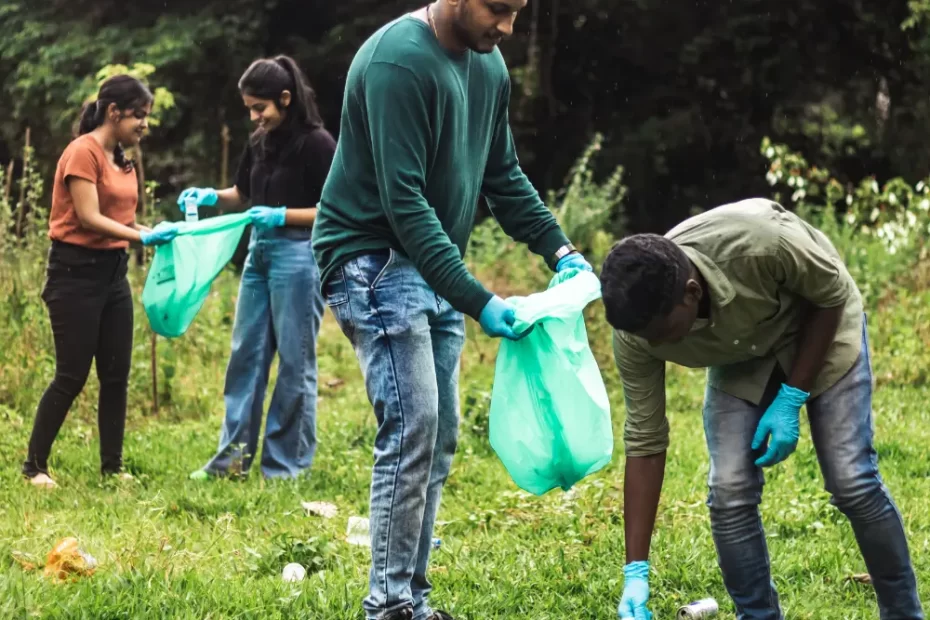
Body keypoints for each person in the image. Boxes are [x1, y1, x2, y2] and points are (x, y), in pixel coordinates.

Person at [311, 2, 592, 619]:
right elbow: (403, 201)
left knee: (439, 437)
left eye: (518, 12)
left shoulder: (488, 69)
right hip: (372, 258)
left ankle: (409, 597)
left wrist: (559, 247)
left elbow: (504, 174)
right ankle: (387, 607)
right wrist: (478, 299)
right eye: (499, 9)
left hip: (429, 262)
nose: (508, 28)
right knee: (413, 428)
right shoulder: (397, 64)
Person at [601, 198, 923, 620]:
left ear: (692, 293)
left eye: (663, 333)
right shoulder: (636, 332)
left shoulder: (763, 242)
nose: (656, 346)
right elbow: (645, 438)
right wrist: (635, 570)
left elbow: (830, 296)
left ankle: (903, 613)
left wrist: (792, 396)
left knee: (851, 478)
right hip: (740, 355)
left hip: (818, 322)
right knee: (729, 488)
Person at [180, 55, 336, 481]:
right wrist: (209, 196)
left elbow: (334, 212)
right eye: (249, 108)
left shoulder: (318, 143)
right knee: (244, 358)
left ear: (285, 99)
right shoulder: (259, 141)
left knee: (293, 362)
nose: (254, 116)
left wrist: (282, 215)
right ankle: (230, 462)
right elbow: (241, 193)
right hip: (259, 255)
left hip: (300, 257)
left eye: (259, 108)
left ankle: (284, 466)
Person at [22, 75, 178, 489]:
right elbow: (90, 218)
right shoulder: (82, 153)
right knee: (71, 374)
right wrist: (141, 236)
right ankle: (34, 467)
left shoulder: (121, 158)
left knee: (115, 374)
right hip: (74, 274)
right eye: (139, 116)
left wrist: (152, 231)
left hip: (113, 274)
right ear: (114, 112)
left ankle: (112, 467)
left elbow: (120, 222)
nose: (144, 124)